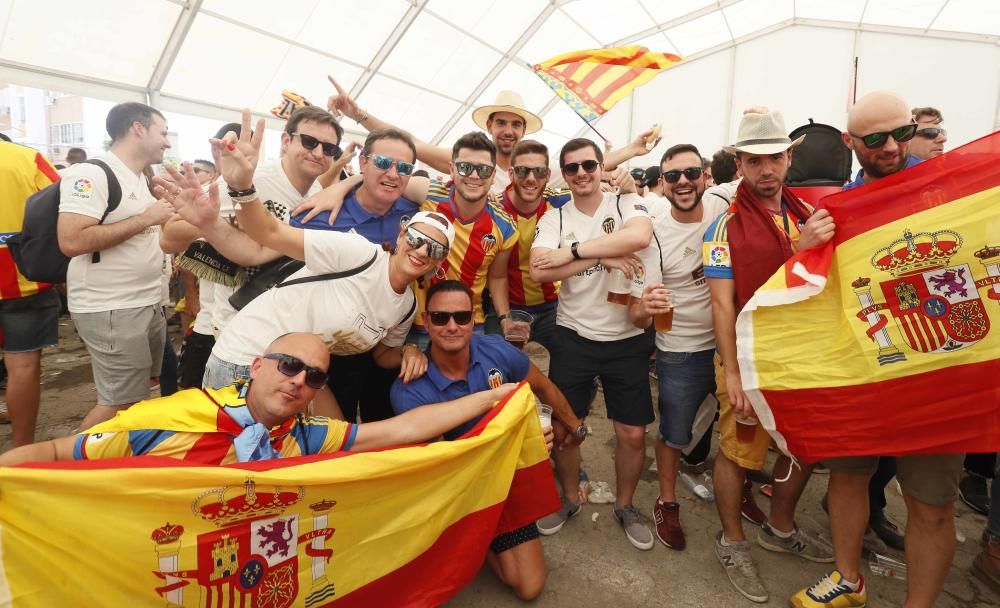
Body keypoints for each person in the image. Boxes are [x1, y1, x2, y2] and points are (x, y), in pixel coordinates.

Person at [787, 91, 965, 608]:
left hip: (937, 369)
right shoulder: (836, 207)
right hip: (860, 367)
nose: (892, 147)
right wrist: (806, 247)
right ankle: (848, 578)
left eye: (902, 133)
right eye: (876, 139)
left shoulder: (947, 189)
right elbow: (806, 290)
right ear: (849, 143)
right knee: (848, 477)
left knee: (930, 503)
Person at [154, 112, 451, 419]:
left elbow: (457, 180)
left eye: (329, 148)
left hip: (325, 352)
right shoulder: (318, 213)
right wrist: (230, 199)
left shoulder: (327, 197)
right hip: (246, 334)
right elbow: (257, 246)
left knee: (321, 438)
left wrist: (346, 183)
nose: (318, 152)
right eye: (309, 141)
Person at [0, 333, 516, 467]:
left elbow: (399, 431)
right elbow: (53, 454)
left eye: (314, 377)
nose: (298, 381)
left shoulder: (304, 434)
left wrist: (502, 396)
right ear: (257, 366)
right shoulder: (168, 420)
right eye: (289, 365)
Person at [703, 107, 834, 603]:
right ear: (739, 163)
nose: (766, 169)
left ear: (788, 158)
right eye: (754, 160)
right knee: (739, 452)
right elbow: (722, 304)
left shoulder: (807, 214)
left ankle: (778, 528)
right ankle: (731, 538)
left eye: (774, 157)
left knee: (801, 445)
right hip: (749, 358)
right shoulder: (721, 230)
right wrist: (732, 373)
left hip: (803, 357)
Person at [390, 280, 585, 600]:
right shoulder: (410, 388)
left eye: (462, 317)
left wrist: (574, 428)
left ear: (474, 320)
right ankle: (466, 539)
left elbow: (543, 387)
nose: (452, 326)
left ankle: (488, 537)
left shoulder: (496, 348)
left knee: (529, 585)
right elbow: (443, 467)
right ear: (425, 322)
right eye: (440, 318)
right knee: (491, 577)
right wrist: (523, 444)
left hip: (505, 478)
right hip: (460, 491)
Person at [529, 138, 657, 550]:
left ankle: (625, 506)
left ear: (602, 166)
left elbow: (637, 237)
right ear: (562, 175)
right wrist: (601, 258)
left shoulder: (625, 202)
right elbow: (539, 272)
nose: (581, 173)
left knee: (633, 435)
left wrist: (573, 253)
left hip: (627, 338)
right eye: (571, 168)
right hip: (574, 335)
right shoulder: (554, 216)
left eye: (588, 165)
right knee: (566, 429)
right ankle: (569, 499)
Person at [294, 132, 519, 350]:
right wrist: (339, 187)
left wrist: (505, 318)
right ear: (451, 169)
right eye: (465, 167)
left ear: (492, 175)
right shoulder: (429, 193)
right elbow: (381, 178)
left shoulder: (505, 226)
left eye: (483, 170)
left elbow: (497, 277)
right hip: (413, 323)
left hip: (468, 323)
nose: (474, 175)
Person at [628, 143, 729, 550]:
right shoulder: (654, 236)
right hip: (681, 348)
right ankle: (667, 500)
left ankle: (734, 493)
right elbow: (636, 315)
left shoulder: (726, 212)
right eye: (673, 176)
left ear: (706, 175)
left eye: (690, 173)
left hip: (731, 346)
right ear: (663, 184)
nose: (683, 182)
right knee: (674, 431)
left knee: (735, 428)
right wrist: (645, 310)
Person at [325, 79, 660, 196]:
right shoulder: (468, 162)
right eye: (501, 123)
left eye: (516, 124)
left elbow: (589, 165)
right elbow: (409, 143)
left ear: (524, 131)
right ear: (490, 126)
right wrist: (358, 115)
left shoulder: (536, 172)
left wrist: (633, 148)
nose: (508, 130)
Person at [57, 102, 175, 431]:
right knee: (119, 402)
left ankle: (122, 459)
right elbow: (71, 240)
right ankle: (62, 467)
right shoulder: (92, 173)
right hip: (112, 306)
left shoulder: (137, 177)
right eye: (162, 132)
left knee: (141, 392)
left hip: (146, 301)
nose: (167, 142)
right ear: (138, 128)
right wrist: (146, 219)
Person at [0, 140, 62, 445]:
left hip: (22, 279)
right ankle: (20, 452)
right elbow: (63, 200)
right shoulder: (27, 158)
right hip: (21, 275)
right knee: (22, 364)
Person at [492, 139, 571, 356]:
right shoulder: (494, 209)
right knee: (498, 369)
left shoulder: (560, 202)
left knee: (575, 366)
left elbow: (597, 191)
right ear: (510, 174)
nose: (530, 178)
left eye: (538, 172)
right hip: (507, 308)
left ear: (548, 175)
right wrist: (504, 317)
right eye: (522, 171)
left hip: (553, 307)